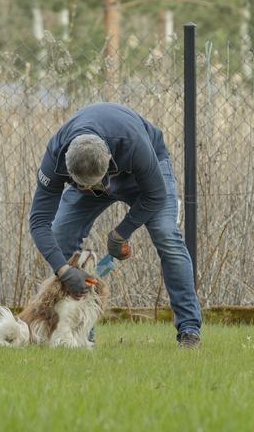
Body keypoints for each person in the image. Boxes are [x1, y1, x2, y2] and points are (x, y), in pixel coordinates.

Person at [28, 102, 202, 348]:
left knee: (166, 234)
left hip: (142, 174)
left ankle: (189, 331)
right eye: (81, 185)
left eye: (93, 185)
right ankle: (80, 333)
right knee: (60, 232)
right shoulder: (55, 157)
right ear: (67, 167)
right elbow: (39, 221)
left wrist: (122, 233)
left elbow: (156, 196)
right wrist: (63, 271)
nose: (89, 190)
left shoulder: (133, 144)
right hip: (92, 169)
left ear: (109, 162)